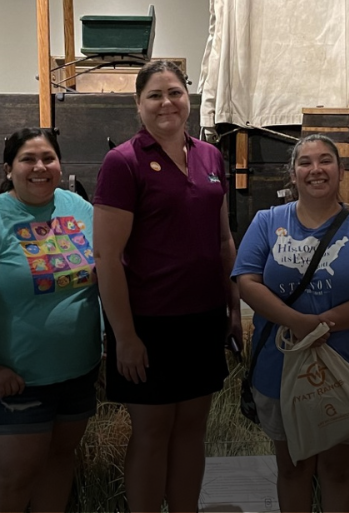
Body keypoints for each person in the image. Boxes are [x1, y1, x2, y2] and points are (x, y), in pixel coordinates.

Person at [93, 60, 241, 513]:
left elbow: (222, 239)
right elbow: (106, 258)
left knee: (192, 430)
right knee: (153, 433)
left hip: (203, 319)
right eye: (154, 95)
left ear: (188, 98)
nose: (166, 103)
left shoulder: (210, 156)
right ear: (138, 105)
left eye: (174, 92)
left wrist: (233, 310)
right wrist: (125, 337)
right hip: (148, 325)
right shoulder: (123, 163)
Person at [0, 128, 101, 512]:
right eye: (28, 159)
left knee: (60, 463)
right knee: (17, 474)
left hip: (78, 372)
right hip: (16, 382)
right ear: (9, 168)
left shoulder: (80, 210)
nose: (39, 167)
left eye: (48, 158)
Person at [232, 135, 349, 513]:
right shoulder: (267, 222)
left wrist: (322, 324)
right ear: (293, 173)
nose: (315, 169)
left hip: (347, 369)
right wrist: (298, 322)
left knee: (338, 470)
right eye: (305, 162)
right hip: (281, 368)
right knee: (292, 468)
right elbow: (247, 282)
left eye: (325, 161)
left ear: (341, 171)